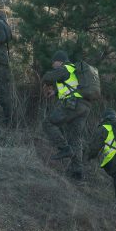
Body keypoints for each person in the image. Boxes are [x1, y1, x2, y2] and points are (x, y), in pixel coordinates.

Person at [41, 50, 91, 180]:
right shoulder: (74, 70)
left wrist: (46, 80)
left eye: (54, 62)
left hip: (73, 103)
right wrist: (56, 93)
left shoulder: (65, 68)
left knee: (48, 123)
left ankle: (64, 148)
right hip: (85, 106)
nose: (53, 65)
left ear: (60, 61)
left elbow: (47, 77)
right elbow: (71, 87)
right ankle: (77, 172)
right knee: (75, 138)